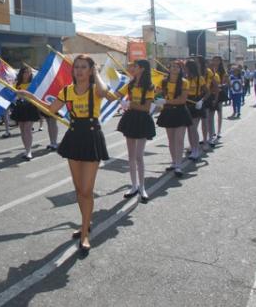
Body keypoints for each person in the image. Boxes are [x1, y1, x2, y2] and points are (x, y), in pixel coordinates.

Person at [19, 55, 109, 255]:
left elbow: (104, 91)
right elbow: (51, 110)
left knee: (87, 190)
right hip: (74, 137)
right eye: (76, 67)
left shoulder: (95, 89)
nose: (79, 70)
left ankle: (85, 234)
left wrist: (97, 75)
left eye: (84, 67)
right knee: (78, 189)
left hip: (92, 137)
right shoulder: (67, 90)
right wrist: (31, 98)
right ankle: (85, 223)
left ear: (91, 69)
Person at [115, 59, 156, 202]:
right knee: (131, 156)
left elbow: (146, 108)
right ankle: (134, 186)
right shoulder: (130, 84)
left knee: (139, 156)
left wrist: (130, 104)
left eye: (136, 67)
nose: (133, 68)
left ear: (143, 69)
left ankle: (143, 187)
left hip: (142, 120)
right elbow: (116, 94)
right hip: (130, 119)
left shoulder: (150, 86)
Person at [156, 60, 192, 176]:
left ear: (181, 69)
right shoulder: (163, 82)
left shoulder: (184, 82)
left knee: (179, 139)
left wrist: (166, 101)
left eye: (177, 67)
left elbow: (182, 100)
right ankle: (174, 162)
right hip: (168, 112)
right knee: (171, 139)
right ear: (169, 68)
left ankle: (179, 165)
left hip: (180, 111)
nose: (174, 68)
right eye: (172, 66)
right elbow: (155, 92)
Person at [11, 67, 40, 160]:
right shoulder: (17, 84)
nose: (27, 74)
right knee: (22, 129)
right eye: (25, 72)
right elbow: (13, 95)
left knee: (27, 129)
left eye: (29, 72)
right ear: (21, 73)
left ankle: (29, 151)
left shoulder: (33, 83)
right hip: (20, 107)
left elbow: (36, 95)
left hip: (30, 107)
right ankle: (26, 149)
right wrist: (16, 95)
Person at [184, 60, 207, 161]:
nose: (185, 69)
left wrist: (201, 101)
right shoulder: (184, 79)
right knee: (189, 128)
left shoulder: (200, 79)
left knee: (193, 128)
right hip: (186, 103)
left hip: (196, 103)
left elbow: (207, 92)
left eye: (186, 67)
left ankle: (196, 150)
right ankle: (192, 147)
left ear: (190, 68)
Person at [212, 56, 228, 140]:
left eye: (217, 60)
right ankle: (213, 131)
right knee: (211, 113)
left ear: (220, 61)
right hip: (211, 93)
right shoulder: (210, 70)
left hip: (220, 92)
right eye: (214, 60)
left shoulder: (223, 71)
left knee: (219, 112)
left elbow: (226, 83)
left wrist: (221, 85)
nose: (215, 62)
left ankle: (219, 131)